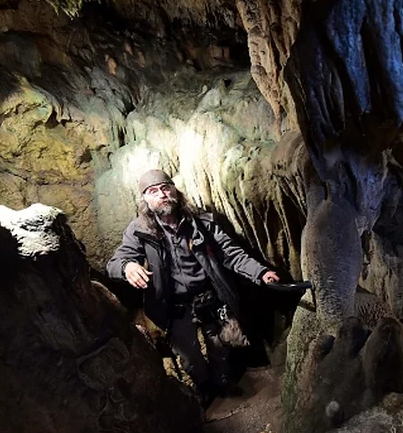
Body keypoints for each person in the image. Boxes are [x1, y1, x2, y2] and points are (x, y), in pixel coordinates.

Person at [107, 169, 279, 403]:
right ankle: (205, 388)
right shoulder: (139, 231)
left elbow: (232, 254)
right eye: (154, 191)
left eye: (166, 188)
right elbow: (114, 263)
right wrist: (127, 267)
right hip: (175, 306)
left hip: (210, 298)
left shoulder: (202, 222)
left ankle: (223, 382)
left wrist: (261, 273)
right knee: (190, 358)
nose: (162, 194)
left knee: (221, 345)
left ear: (174, 190)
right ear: (145, 199)